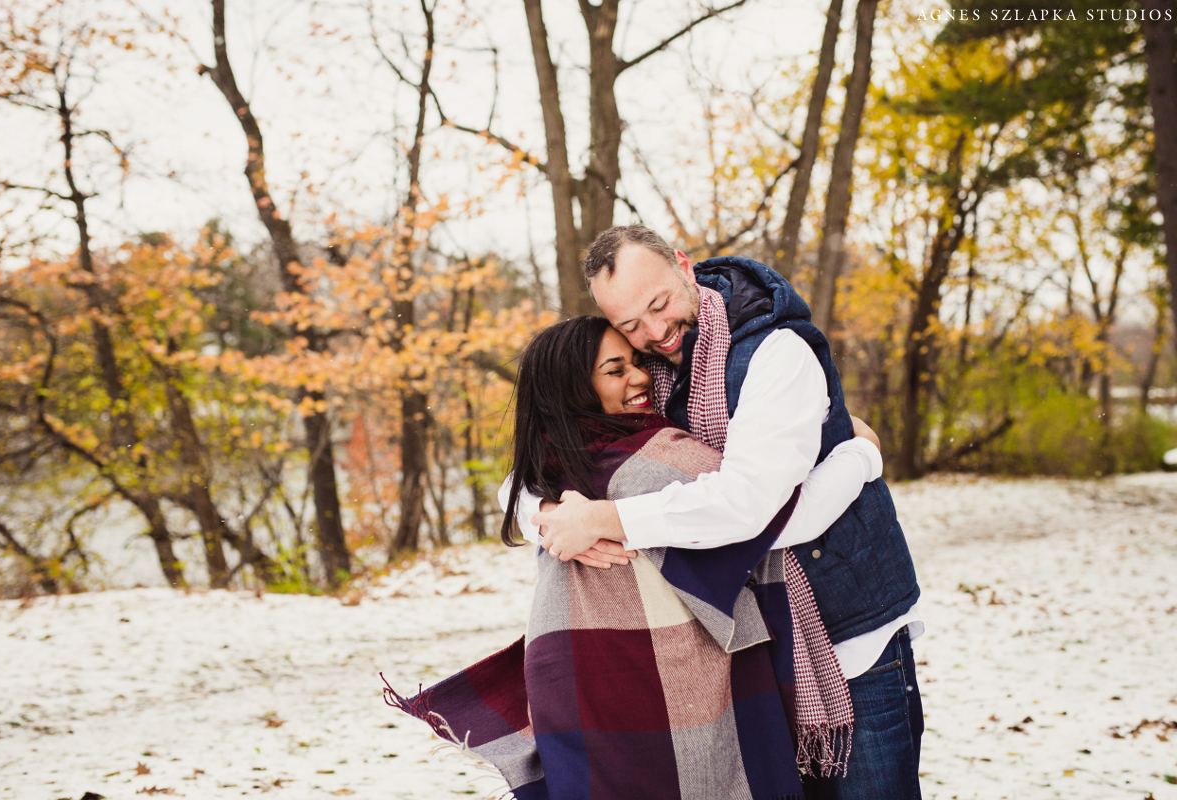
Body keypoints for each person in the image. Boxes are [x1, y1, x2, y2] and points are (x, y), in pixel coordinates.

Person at [390, 315, 883, 800]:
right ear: (575, 390)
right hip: (660, 690)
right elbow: (780, 516)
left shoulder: (553, 462)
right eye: (615, 369)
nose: (641, 377)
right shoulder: (658, 458)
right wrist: (861, 454)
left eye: (635, 363)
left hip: (574, 685)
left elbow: (513, 490)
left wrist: (546, 510)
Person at [516, 226, 924, 800]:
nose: (654, 333)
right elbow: (538, 459)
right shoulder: (650, 373)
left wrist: (860, 459)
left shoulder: (775, 352)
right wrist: (550, 510)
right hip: (756, 642)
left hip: (845, 631)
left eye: (659, 305)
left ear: (684, 266)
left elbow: (754, 507)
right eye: (631, 326)